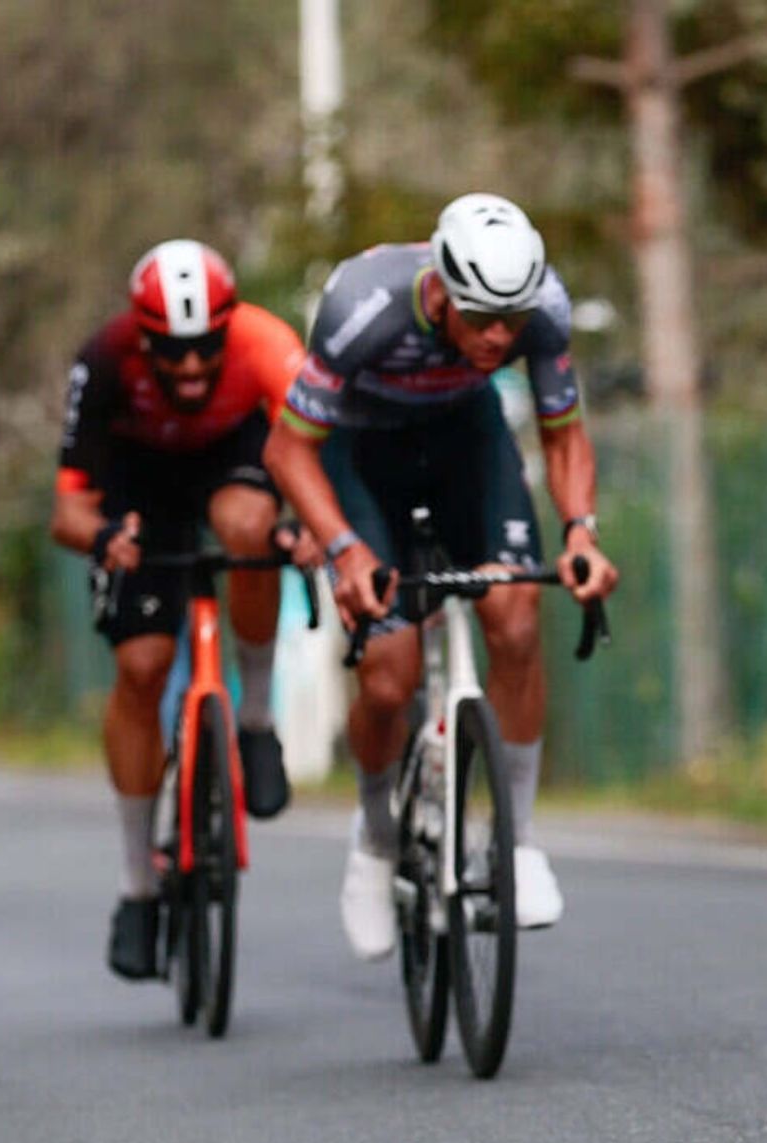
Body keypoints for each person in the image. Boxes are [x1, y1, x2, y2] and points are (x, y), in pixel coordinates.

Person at [262, 193, 620, 961]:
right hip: (360, 456)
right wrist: (345, 550)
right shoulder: (364, 305)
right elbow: (288, 450)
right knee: (387, 679)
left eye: (511, 322)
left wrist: (581, 532)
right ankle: (375, 836)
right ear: (443, 292)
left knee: (517, 615)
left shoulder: (543, 308)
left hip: (466, 442)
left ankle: (517, 844)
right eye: (482, 319)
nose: (499, 337)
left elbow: (562, 433)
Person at [51, 239, 319, 981]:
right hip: (138, 481)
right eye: (174, 353)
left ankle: (256, 723)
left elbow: (312, 451)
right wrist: (105, 537)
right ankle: (138, 886)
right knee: (142, 667)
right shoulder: (103, 359)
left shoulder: (267, 343)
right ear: (142, 336)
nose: (194, 368)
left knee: (250, 531)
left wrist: (308, 525)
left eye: (206, 348)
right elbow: (66, 512)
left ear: (229, 326)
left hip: (234, 457)